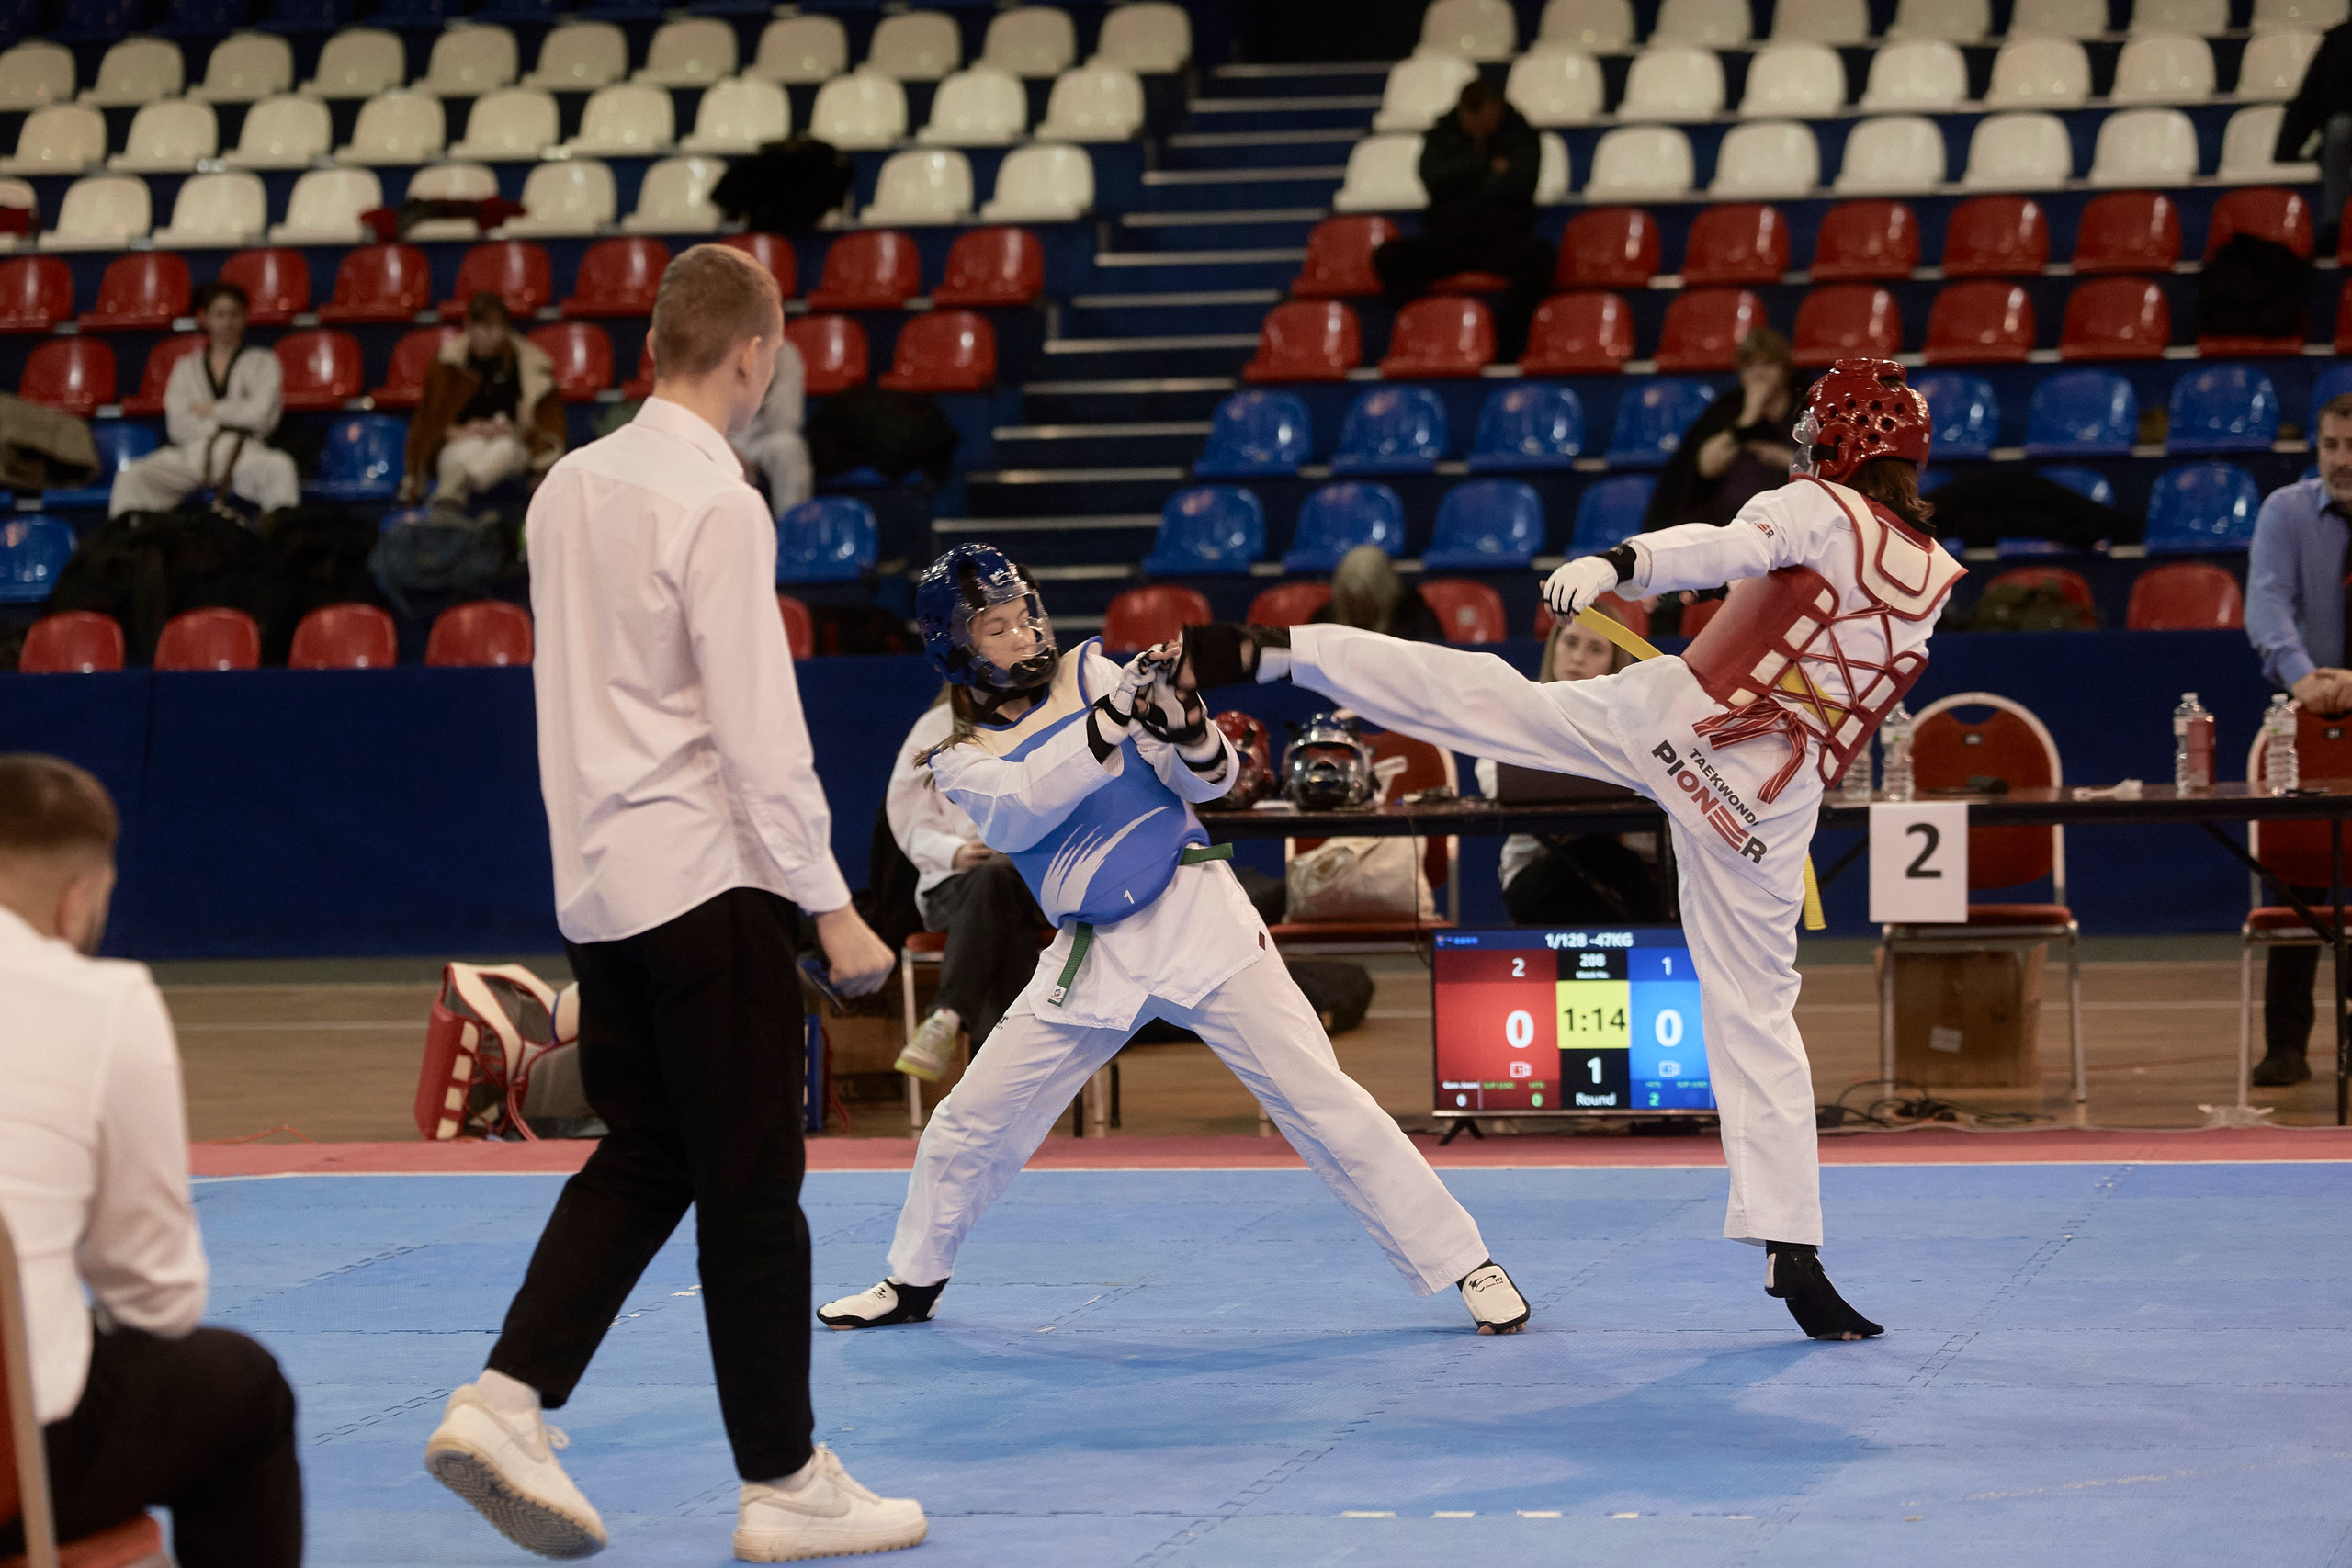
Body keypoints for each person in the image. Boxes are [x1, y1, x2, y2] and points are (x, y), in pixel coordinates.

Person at [1178, 359, 1967, 1342]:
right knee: (1759, 1015)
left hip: (1684, 723)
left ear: (1835, 446)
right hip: (1770, 803)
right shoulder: (1934, 578)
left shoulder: (1813, 507)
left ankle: (1283, 651)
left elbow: (1717, 547)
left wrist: (1618, 565)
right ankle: (1790, 1246)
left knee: (1481, 697)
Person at [421, 244, 926, 1564]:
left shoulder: (566, 486)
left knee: (652, 1150)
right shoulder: (721, 497)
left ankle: (506, 1400)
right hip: (707, 878)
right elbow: (755, 727)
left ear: (661, 344)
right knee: (754, 1178)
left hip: (601, 884)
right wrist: (832, 906)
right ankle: (785, 1480)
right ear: (755, 354)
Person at [816, 544, 1531, 1337]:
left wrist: (1186, 723)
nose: (1024, 636)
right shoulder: (955, 755)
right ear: (956, 644)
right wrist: (1114, 718)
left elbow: (1210, 780)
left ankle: (1469, 1260)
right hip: (1092, 951)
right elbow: (1025, 803)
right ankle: (912, 1280)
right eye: (997, 627)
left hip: (1198, 912)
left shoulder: (1093, 673)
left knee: (1322, 1100)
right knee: (969, 1122)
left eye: (1027, 617)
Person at [0, 754, 301, 1568]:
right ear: (81, 896)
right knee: (245, 1392)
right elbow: (159, 1297)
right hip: (12, 1467)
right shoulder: (107, 1001)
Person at [2243, 392, 2352, 1086]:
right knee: (2295, 875)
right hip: (2303, 710)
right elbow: (2267, 601)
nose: (2343, 460)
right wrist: (2304, 678)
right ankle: (2286, 1044)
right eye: (2332, 445)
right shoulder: (2285, 510)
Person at [886, 688, 1052, 1082]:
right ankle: (1020, 1066)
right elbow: (909, 818)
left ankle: (947, 1016)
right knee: (991, 885)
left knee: (997, 883)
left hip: (1035, 881)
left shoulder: (1048, 714)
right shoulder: (935, 727)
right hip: (955, 881)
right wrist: (953, 852)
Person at [1476, 606, 1667, 927]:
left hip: (1627, 874)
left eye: (1595, 649)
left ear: (1616, 662)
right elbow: (1492, 777)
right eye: (1570, 642)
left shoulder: (1641, 724)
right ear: (1554, 647)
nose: (1578, 657)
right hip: (1538, 873)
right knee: (1581, 857)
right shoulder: (1519, 710)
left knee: (1602, 855)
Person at [1371, 80, 1555, 363]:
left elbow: (1519, 187)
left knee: (1541, 258)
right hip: (1448, 239)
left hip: (1500, 238)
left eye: (1480, 114)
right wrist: (1484, 164)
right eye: (1468, 115)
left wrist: (1462, 180)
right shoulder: (1441, 135)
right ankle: (1432, 328)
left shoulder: (1522, 136)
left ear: (1497, 108)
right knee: (1389, 257)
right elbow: (1434, 179)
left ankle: (1504, 346)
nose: (1473, 123)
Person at [107, 280, 300, 520]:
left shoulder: (264, 362)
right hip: (194, 452)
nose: (226, 322)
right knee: (131, 477)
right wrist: (232, 416)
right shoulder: (185, 367)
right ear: (206, 318)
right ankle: (128, 549)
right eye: (219, 315)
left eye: (233, 314)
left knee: (280, 468)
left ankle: (283, 547)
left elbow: (260, 418)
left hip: (244, 451)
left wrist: (211, 410)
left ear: (245, 318)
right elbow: (177, 426)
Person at [401, 292, 562, 507]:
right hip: (461, 441)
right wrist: (464, 431)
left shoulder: (526, 363)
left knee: (503, 449)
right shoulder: (448, 365)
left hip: (510, 443)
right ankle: (452, 494)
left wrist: (512, 430)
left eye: (499, 327)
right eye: (485, 327)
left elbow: (543, 429)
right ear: (469, 327)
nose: (492, 335)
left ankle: (449, 497)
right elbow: (429, 424)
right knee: (465, 451)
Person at [1645, 328, 1806, 532]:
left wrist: (1784, 459)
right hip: (1730, 522)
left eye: (1768, 365)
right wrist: (1747, 417)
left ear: (1785, 369)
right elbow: (1705, 468)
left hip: (1791, 519)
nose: (1759, 374)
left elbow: (1824, 474)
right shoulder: (1726, 410)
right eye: (1750, 367)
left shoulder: (1806, 408)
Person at [2277, 21, 2352, 250]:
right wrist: (2286, 151)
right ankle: (2336, 226)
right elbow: (2310, 96)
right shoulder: (2341, 39)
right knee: (2339, 129)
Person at [730, 333, 812, 518]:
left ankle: (793, 532)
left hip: (764, 437)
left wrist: (764, 372)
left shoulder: (785, 354)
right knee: (720, 458)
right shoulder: (716, 350)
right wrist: (726, 447)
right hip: (724, 438)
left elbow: (787, 422)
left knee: (789, 447)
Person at [1311, 543, 1446, 641]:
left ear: (1383, 597)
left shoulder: (1414, 618)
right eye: (1351, 603)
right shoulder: (1325, 620)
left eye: (1365, 603)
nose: (1358, 611)